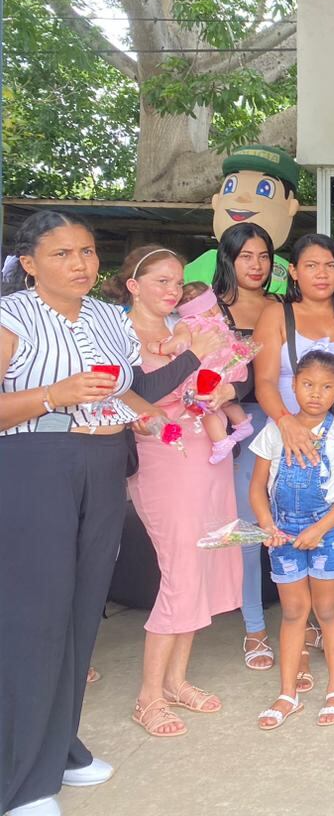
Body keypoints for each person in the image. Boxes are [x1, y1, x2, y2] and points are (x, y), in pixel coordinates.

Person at [0, 213, 203, 816]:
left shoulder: (109, 320)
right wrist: (52, 395)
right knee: (37, 617)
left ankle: (60, 747)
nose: (81, 263)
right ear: (31, 263)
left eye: (87, 252)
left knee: (84, 609)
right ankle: (23, 782)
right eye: (63, 254)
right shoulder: (13, 316)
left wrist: (155, 417)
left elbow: (123, 390)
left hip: (102, 459)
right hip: (37, 461)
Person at [108, 246, 242, 738]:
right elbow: (140, 387)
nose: (171, 290)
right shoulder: (119, 334)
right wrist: (192, 354)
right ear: (133, 285)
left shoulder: (180, 329)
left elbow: (222, 378)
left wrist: (224, 390)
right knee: (180, 569)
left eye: (176, 282)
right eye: (160, 281)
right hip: (162, 459)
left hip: (205, 455)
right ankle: (148, 696)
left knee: (204, 562)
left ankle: (177, 681)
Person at [255, 234, 334, 691]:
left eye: (329, 265)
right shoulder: (278, 314)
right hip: (295, 445)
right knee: (296, 543)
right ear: (294, 271)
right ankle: (303, 641)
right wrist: (286, 423)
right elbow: (265, 379)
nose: (322, 273)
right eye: (311, 265)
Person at [249, 349, 334, 729]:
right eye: (307, 384)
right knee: (293, 612)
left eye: (326, 387)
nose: (316, 393)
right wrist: (267, 523)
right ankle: (288, 694)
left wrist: (319, 529)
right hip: (283, 535)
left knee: (328, 611)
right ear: (293, 386)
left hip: (328, 534)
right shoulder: (274, 431)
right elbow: (256, 488)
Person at [211, 222, 280, 673]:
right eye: (246, 257)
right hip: (241, 428)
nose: (256, 266)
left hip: (287, 421)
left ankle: (303, 615)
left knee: (294, 521)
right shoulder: (210, 310)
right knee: (250, 531)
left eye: (263, 257)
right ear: (229, 261)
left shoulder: (282, 306)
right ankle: (254, 627)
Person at [184, 144, 301, 294]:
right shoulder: (204, 263)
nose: (242, 198)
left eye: (265, 189)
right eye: (230, 186)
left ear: (291, 207)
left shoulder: (285, 273)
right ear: (216, 201)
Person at [161, 282, 255, 463]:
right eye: (211, 309)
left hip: (206, 371)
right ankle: (242, 423)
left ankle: (221, 441)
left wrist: (161, 347)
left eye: (213, 308)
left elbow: (178, 341)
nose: (213, 312)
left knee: (204, 407)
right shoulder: (221, 322)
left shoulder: (187, 323)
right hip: (228, 368)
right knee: (225, 398)